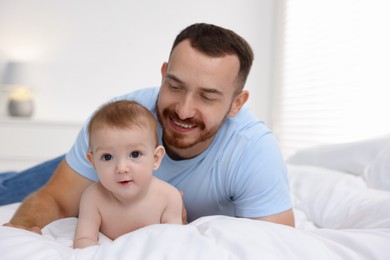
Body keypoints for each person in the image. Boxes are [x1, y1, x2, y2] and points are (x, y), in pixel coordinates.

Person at [3, 23, 295, 233]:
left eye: (206, 96)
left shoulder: (253, 150)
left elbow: (274, 243)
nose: (183, 110)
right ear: (163, 74)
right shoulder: (117, 118)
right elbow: (55, 198)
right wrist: (26, 230)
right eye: (175, 86)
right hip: (102, 169)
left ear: (236, 103)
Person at [73, 100, 182, 248]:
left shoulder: (168, 197)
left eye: (135, 154)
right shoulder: (93, 198)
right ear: (93, 163)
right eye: (107, 157)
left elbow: (175, 245)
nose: (121, 168)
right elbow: (83, 240)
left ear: (155, 158)